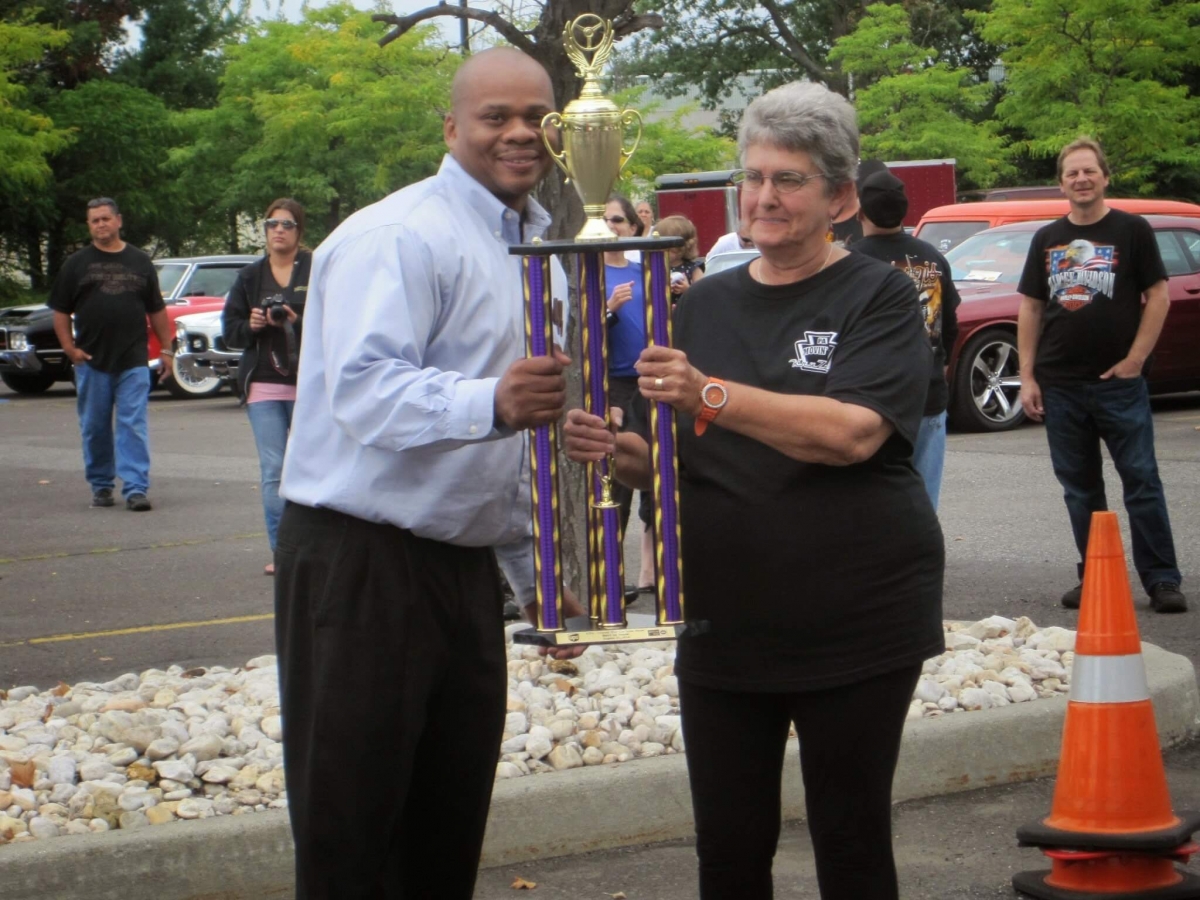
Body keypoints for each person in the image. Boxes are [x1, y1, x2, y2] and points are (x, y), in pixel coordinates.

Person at [565, 81, 944, 900]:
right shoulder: (700, 304)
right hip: (724, 620)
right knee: (729, 851)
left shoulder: (879, 295)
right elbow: (663, 462)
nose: (763, 196)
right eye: (752, 176)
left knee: (849, 841)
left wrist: (707, 392)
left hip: (857, 619)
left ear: (841, 196)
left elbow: (851, 433)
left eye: (789, 179)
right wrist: (609, 448)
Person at [272, 47, 582, 899]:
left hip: (460, 568)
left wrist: (535, 575)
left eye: (537, 118)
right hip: (363, 563)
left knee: (447, 827)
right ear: (452, 127)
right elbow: (365, 396)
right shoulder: (396, 236)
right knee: (353, 829)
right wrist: (493, 401)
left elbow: (517, 437)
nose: (520, 134)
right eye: (496, 117)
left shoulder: (538, 251)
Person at [1017, 137, 1186, 613]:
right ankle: (1096, 574)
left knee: (1141, 481)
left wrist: (1135, 360)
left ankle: (1162, 581)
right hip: (1061, 385)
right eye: (1072, 173)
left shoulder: (1132, 231)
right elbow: (1030, 307)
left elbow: (1159, 295)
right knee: (1079, 488)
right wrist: (1027, 376)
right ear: (1061, 183)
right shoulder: (1046, 239)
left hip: (1119, 385)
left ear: (1105, 177)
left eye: (1089, 171)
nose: (1081, 179)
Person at [50, 197, 171, 512]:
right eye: (94, 220)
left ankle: (135, 488)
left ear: (118, 221)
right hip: (91, 361)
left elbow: (156, 309)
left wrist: (167, 348)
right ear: (89, 225)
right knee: (95, 426)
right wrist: (69, 348)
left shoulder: (140, 261)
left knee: (133, 423)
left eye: (105, 219)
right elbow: (60, 311)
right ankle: (101, 485)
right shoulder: (76, 264)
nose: (100, 225)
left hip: (133, 359)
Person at [854, 169, 960, 509]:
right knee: (924, 496)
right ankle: (921, 559)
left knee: (871, 498)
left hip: (870, 397)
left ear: (860, 211)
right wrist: (941, 364)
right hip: (926, 389)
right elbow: (950, 324)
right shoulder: (933, 257)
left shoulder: (848, 262)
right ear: (905, 210)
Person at [222, 198, 312, 576]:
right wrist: (254, 326)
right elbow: (231, 332)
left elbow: (338, 322)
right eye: (271, 223)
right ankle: (283, 553)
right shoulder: (249, 276)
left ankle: (315, 550)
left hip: (310, 386)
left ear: (299, 231)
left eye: (286, 224)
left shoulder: (317, 269)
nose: (278, 230)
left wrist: (297, 319)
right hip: (264, 385)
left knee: (311, 468)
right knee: (274, 470)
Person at [602, 194, 654, 594]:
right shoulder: (589, 272)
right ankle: (608, 578)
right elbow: (582, 333)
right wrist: (609, 309)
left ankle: (666, 575)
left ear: (634, 227)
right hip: (613, 386)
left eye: (618, 220)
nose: (611, 228)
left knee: (661, 476)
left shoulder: (643, 271)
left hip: (651, 383)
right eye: (605, 221)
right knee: (614, 482)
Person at [654, 214, 706, 300]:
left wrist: (687, 289)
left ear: (680, 248)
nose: (661, 251)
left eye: (666, 249)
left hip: (686, 310)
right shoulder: (658, 268)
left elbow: (702, 293)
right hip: (664, 311)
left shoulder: (693, 268)